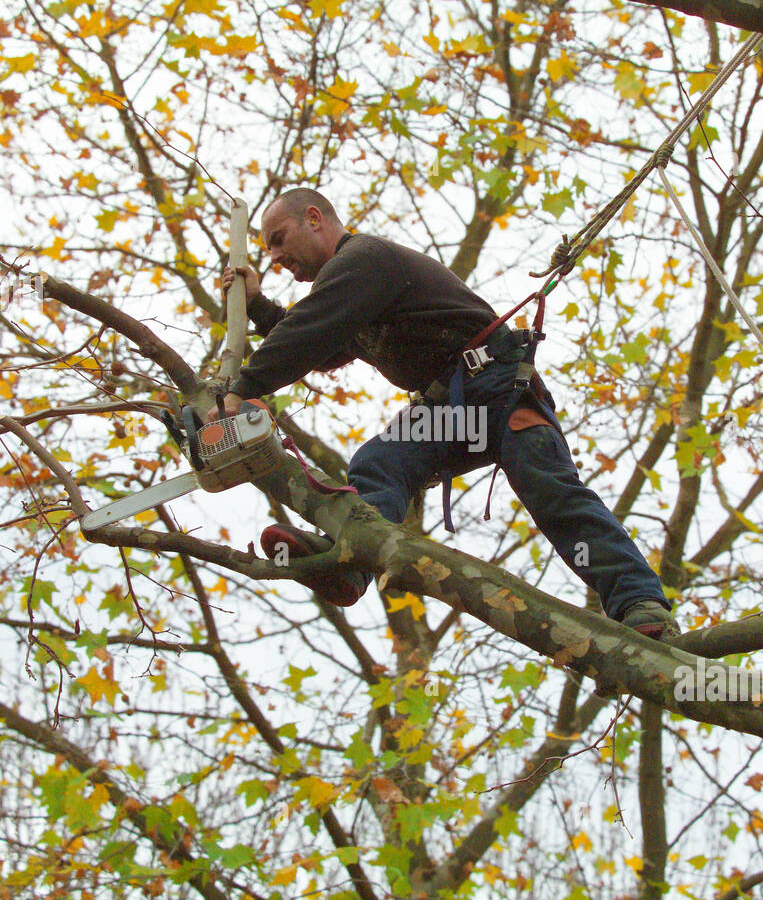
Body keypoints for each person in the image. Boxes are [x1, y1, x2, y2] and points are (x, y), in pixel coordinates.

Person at [208, 187, 677, 641]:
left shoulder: (363, 260)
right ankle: (349, 563)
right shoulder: (354, 292)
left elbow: (312, 328)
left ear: (313, 218)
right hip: (452, 407)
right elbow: (322, 345)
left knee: (552, 490)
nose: (274, 256)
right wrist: (257, 306)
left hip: (499, 388)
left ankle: (640, 603)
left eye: (278, 239)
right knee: (381, 463)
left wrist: (243, 389)